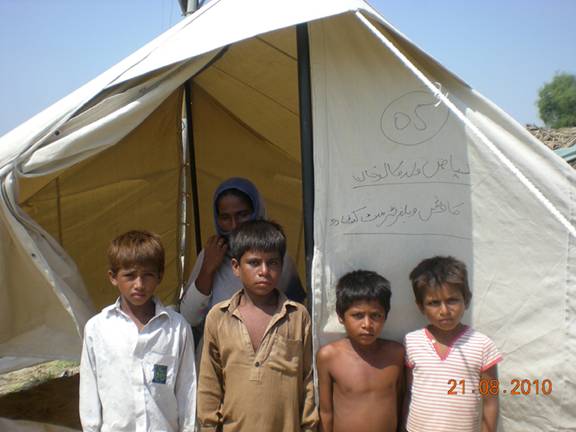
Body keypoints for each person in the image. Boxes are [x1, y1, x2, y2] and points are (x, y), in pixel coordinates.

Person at [196, 220, 318, 431]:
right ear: (236, 267)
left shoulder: (297, 316)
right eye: (254, 263)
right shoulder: (219, 317)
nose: (264, 271)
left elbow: (308, 382)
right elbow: (209, 385)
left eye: (272, 263)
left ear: (282, 266)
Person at [79, 230, 196, 432]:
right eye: (129, 276)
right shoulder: (97, 329)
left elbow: (188, 389)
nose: (139, 285)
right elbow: (89, 393)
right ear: (113, 277)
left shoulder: (176, 328)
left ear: (160, 276)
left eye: (148, 275)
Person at [179, 177, 305, 328]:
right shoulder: (212, 253)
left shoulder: (276, 256)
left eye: (242, 215)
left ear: (257, 211)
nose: (234, 225)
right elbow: (189, 317)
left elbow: (295, 316)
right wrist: (207, 269)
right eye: (225, 217)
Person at [404, 256, 502, 432]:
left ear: (466, 299)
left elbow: (491, 400)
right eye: (434, 303)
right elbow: (409, 393)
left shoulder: (483, 345)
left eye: (452, 300)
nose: (444, 311)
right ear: (420, 306)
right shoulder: (412, 342)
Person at [316, 270, 405, 432]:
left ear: (385, 316)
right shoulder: (329, 356)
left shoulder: (396, 354)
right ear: (341, 316)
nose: (367, 325)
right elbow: (326, 412)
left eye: (375, 315)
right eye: (358, 315)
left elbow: (400, 402)